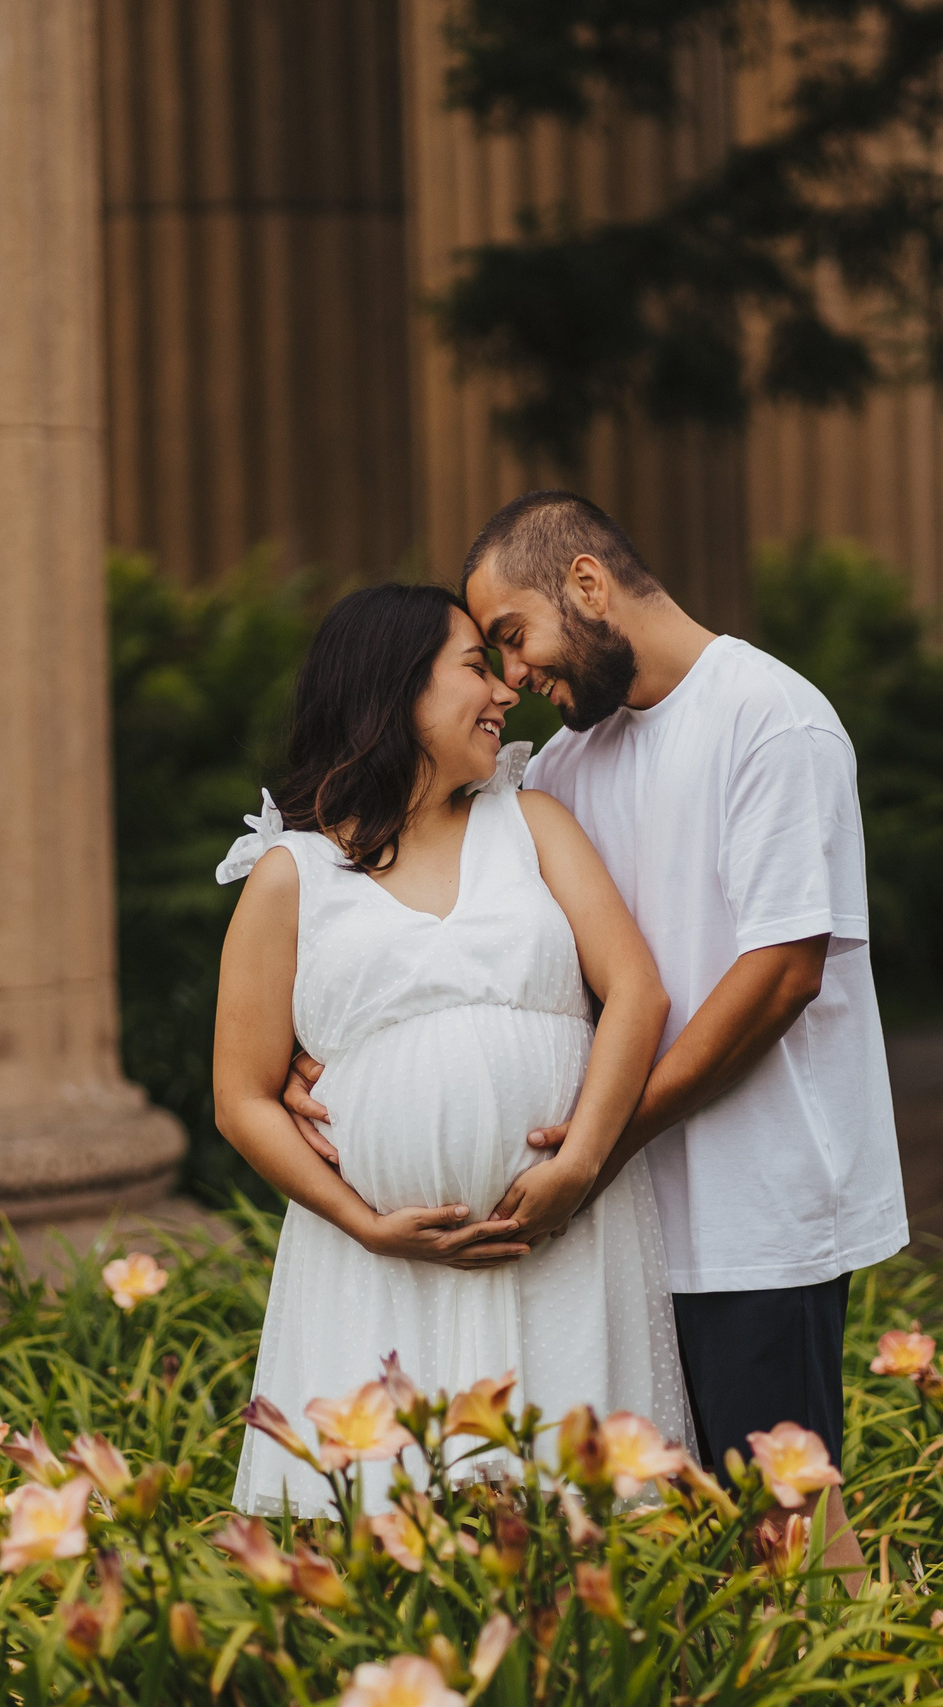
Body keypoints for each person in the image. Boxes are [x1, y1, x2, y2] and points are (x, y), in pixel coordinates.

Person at [290, 493, 905, 1558]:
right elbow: (468, 929)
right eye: (489, 658)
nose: (514, 679)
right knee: (651, 1557)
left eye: (514, 639)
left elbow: (780, 976)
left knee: (785, 1530)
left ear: (585, 584)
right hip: (603, 1248)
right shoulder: (564, 766)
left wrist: (597, 1147)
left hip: (750, 1218)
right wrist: (329, 1054)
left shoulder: (770, 718)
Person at [210, 581, 694, 1517]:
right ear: (395, 693)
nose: (506, 691)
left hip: (566, 1237)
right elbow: (242, 1098)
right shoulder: (290, 875)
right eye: (476, 667)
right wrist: (363, 1221)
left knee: (580, 1523)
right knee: (396, 1533)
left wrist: (582, 1161)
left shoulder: (534, 823)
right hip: (381, 1269)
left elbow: (637, 991)